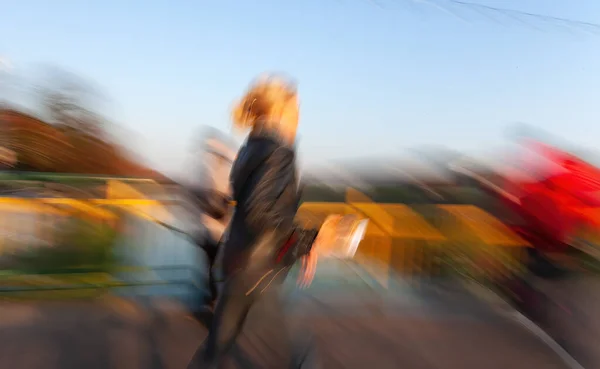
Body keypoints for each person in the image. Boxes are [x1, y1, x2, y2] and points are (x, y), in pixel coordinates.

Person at [190, 74, 331, 368]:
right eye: (297, 108)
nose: (300, 115)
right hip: (261, 269)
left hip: (238, 261)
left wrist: (301, 242)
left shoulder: (249, 148)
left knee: (216, 348)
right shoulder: (279, 151)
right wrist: (309, 239)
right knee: (300, 350)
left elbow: (256, 208)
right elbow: (260, 212)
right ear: (280, 111)